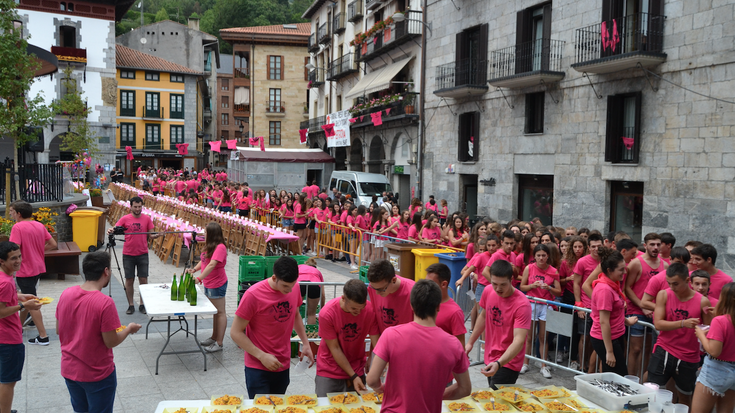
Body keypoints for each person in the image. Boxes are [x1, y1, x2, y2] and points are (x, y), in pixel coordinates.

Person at [367, 280, 471, 413]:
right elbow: (465, 388)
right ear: (438, 307)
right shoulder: (453, 344)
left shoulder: (391, 335)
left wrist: (381, 388)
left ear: (412, 305)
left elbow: (371, 380)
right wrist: (436, 396)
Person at [56, 251, 142, 413]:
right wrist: (129, 329)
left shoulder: (66, 294)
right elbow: (111, 341)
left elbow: (59, 329)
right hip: (96, 373)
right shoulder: (105, 302)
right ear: (106, 271)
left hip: (69, 369)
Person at [230, 256, 314, 398]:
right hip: (257, 365)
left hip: (282, 362)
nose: (289, 291)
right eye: (285, 287)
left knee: (278, 405)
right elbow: (235, 332)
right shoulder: (253, 295)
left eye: (292, 286)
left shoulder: (295, 287)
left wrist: (305, 343)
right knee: (261, 408)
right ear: (274, 278)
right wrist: (261, 356)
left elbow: (295, 315)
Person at [648, 263, 713, 407]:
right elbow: (658, 323)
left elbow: (707, 331)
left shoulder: (702, 301)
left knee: (684, 396)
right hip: (664, 349)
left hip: (688, 356)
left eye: (676, 283)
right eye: (669, 283)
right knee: (651, 391)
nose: (672, 287)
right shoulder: (664, 294)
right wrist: (683, 323)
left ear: (687, 281)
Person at [466, 260, 531, 388]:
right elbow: (483, 316)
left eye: (503, 285)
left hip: (509, 362)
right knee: (493, 401)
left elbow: (519, 340)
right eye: (494, 283)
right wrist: (470, 342)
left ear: (511, 279)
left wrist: (499, 363)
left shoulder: (522, 304)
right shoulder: (488, 291)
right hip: (490, 356)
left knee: (497, 402)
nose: (498, 288)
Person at [315, 279, 379, 396]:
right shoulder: (327, 313)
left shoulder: (370, 310)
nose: (358, 312)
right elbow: (335, 348)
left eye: (362, 307)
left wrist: (378, 366)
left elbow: (378, 344)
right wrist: (353, 375)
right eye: (354, 308)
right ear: (343, 299)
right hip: (329, 370)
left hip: (357, 367)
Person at [0, 242, 42, 413]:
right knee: (8, 382)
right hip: (8, 339)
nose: (18, 261)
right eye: (13, 258)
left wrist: (20, 296)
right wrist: (24, 306)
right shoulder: (6, 283)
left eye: (19, 256)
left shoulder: (3, 278)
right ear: (2, 261)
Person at [8, 201, 56, 345]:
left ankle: (43, 336)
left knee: (32, 302)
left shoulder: (17, 227)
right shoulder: (39, 225)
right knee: (27, 298)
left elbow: (13, 250)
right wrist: (39, 251)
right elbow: (53, 244)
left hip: (25, 269)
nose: (10, 213)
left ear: (19, 214)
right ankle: (19, 326)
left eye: (11, 211)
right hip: (37, 267)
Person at [108, 196, 162, 315]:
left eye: (139, 207)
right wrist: (111, 230)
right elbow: (115, 228)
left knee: (143, 279)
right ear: (131, 207)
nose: (138, 209)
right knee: (129, 279)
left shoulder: (147, 219)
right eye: (135, 207)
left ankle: (143, 304)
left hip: (143, 253)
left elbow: (151, 235)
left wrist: (157, 235)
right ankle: (131, 304)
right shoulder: (125, 218)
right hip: (128, 253)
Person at [589, 248, 639, 376]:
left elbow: (615, 312)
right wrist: (609, 351)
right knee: (618, 375)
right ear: (609, 271)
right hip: (607, 339)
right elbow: (604, 321)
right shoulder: (604, 290)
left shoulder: (612, 284)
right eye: (621, 270)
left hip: (615, 335)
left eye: (624, 268)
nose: (624, 272)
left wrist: (626, 321)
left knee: (612, 376)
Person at [624, 234, 666, 376]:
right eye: (652, 244)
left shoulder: (665, 265)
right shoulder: (636, 263)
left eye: (658, 244)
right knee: (635, 348)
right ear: (645, 245)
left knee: (648, 348)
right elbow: (627, 287)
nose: (655, 247)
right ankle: (630, 379)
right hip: (637, 310)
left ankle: (643, 380)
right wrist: (642, 306)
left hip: (654, 311)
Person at [519, 243, 561, 378]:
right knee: (529, 336)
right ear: (535, 256)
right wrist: (532, 285)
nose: (541, 258)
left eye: (544, 255)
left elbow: (559, 291)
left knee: (543, 337)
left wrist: (549, 288)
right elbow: (522, 287)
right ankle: (525, 363)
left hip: (546, 305)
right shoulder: (529, 268)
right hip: (531, 304)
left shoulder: (554, 271)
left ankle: (543, 365)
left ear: (548, 256)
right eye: (538, 255)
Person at [692, 282, 735, 413]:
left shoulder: (720, 321)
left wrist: (701, 335)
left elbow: (714, 351)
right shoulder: (723, 320)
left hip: (716, 369)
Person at [188, 223, 228, 353]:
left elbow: (211, 265)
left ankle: (219, 343)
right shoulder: (210, 246)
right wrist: (194, 269)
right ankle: (214, 337)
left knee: (220, 312)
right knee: (215, 312)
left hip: (217, 283)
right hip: (209, 282)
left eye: (205, 233)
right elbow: (204, 260)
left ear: (211, 234)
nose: (203, 234)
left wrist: (199, 279)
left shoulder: (220, 248)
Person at [573, 232, 603, 373]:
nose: (596, 249)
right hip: (586, 306)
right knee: (584, 337)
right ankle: (581, 364)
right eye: (593, 247)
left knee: (596, 339)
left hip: (601, 307)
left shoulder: (607, 261)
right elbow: (577, 283)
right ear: (589, 248)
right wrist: (579, 304)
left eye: (599, 246)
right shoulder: (582, 261)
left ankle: (593, 367)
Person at [366, 260, 415, 334]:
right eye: (374, 288)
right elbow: (375, 321)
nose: (377, 293)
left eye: (381, 289)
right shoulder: (373, 287)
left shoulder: (413, 292)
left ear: (394, 280)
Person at [425, 263, 467, 346]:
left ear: (444, 284)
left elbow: (460, 345)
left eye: (431, 284)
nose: (427, 287)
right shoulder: (424, 302)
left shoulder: (455, 312)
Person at [298, 258, 326, 325]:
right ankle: (310, 333)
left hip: (299, 283)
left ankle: (293, 333)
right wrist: (321, 311)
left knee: (295, 312)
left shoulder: (300, 266)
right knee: (311, 314)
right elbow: (323, 295)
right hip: (314, 284)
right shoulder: (317, 272)